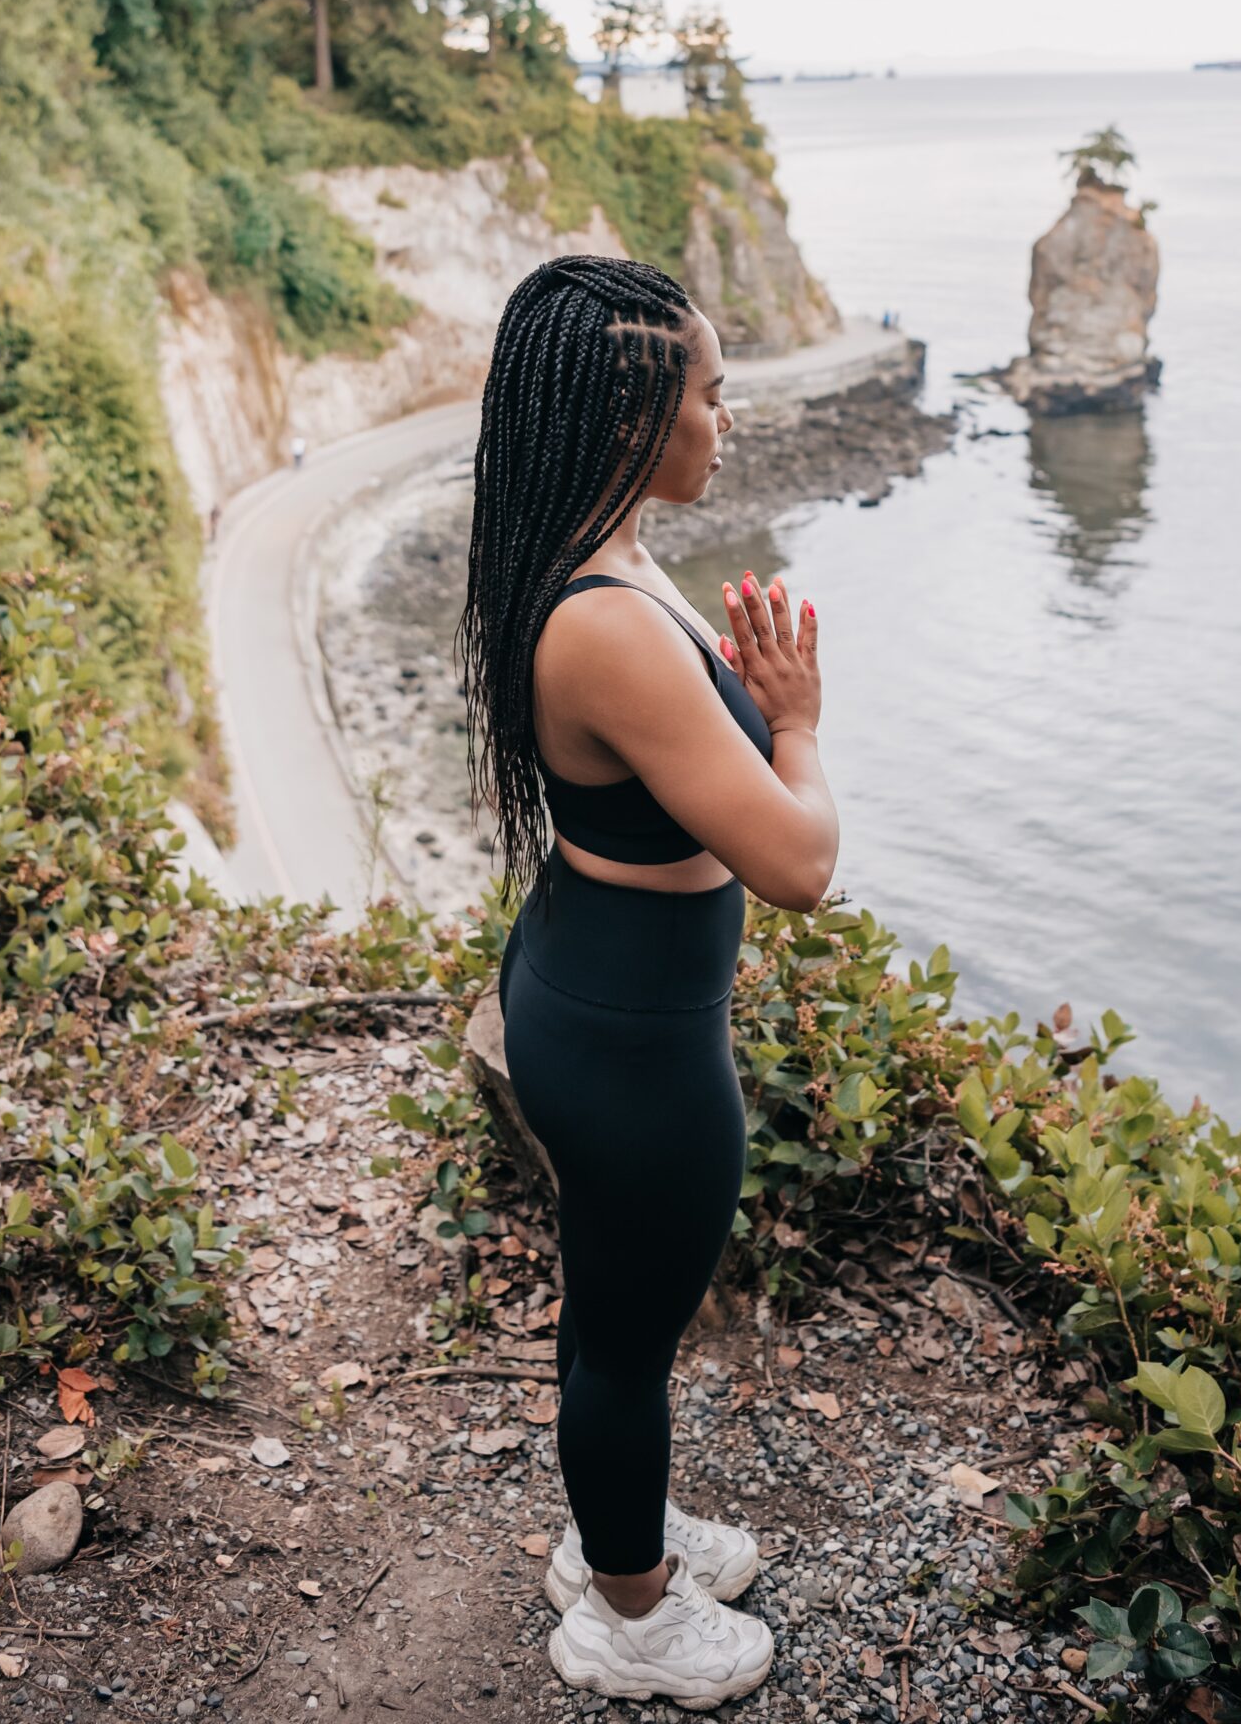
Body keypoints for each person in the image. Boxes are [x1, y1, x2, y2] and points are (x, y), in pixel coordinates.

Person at [457, 256, 839, 1708]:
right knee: (621, 1339)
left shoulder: (590, 548)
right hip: (632, 1039)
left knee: (617, 1314)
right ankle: (627, 1612)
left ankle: (621, 1536)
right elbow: (800, 863)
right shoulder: (605, 620)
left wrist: (746, 702)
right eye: (710, 392)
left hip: (597, 979)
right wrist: (795, 725)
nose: (727, 418)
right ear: (633, 417)